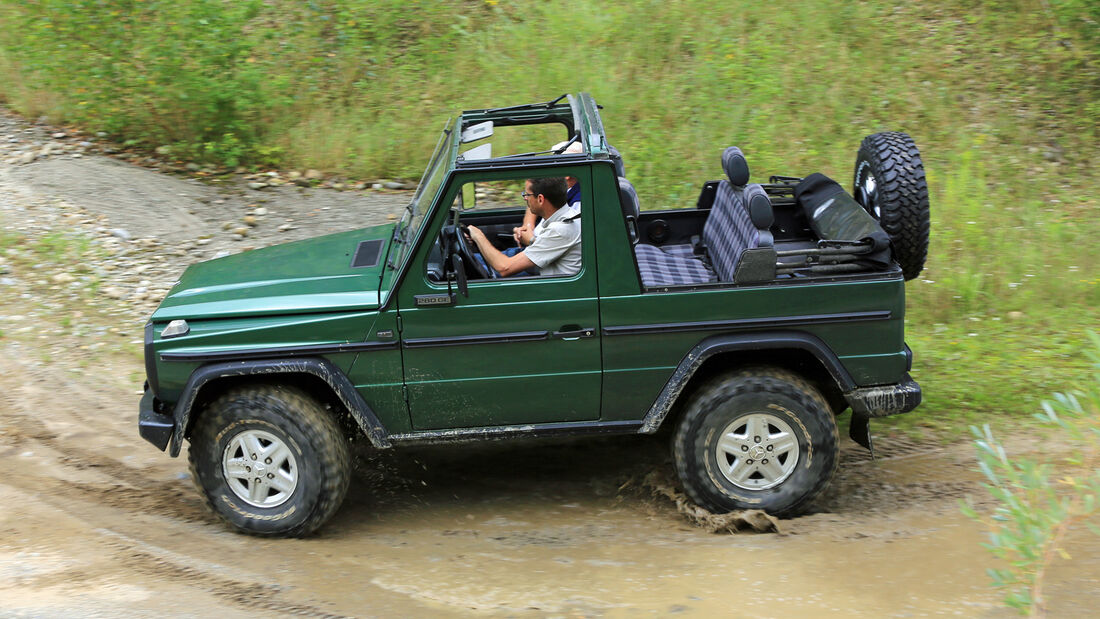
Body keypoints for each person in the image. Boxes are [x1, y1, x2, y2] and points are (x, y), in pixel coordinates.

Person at [467, 177, 581, 278]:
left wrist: (478, 235)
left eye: (527, 195)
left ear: (540, 199)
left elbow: (504, 268)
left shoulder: (560, 229)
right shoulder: (561, 217)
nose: (525, 198)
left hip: (551, 292)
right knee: (471, 262)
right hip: (541, 275)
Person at [512, 141, 583, 246]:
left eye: (554, 165)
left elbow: (559, 245)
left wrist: (530, 241)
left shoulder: (578, 206)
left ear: (567, 174)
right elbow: (534, 194)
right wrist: (528, 226)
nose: (550, 170)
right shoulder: (561, 187)